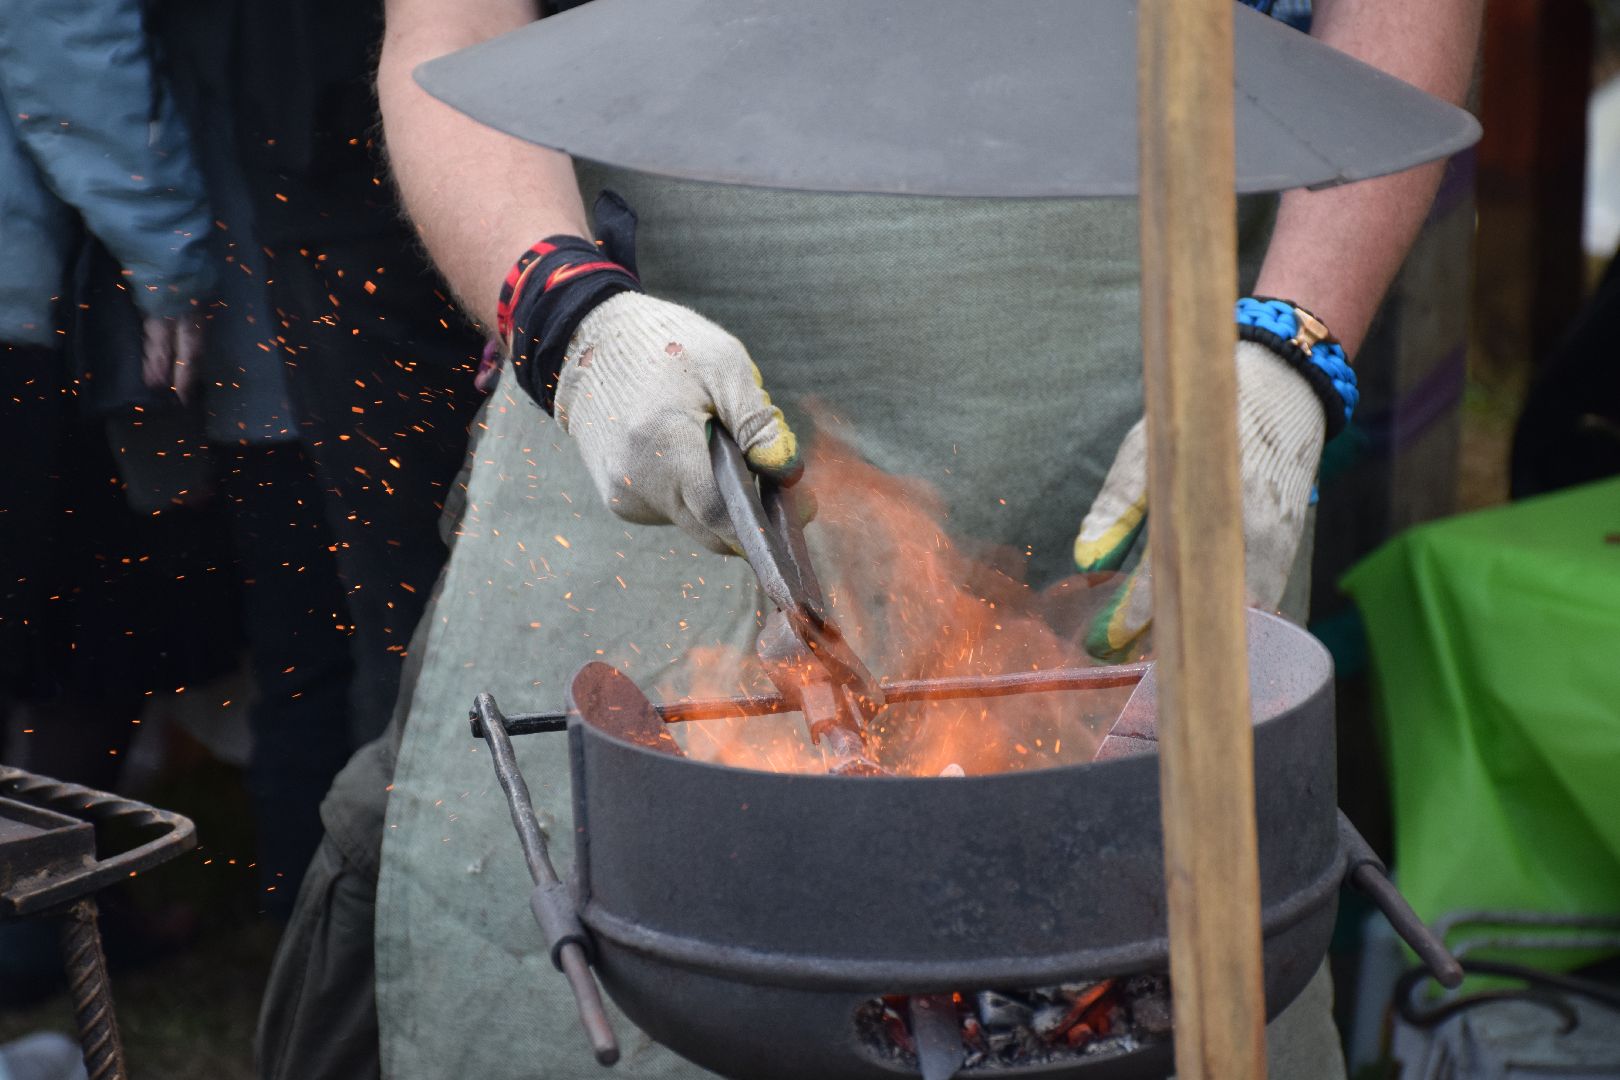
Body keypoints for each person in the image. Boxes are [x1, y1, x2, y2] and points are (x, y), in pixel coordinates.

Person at [258, 2, 1484, 1078]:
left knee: (1116, 974)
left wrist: (1292, 348)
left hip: (1139, 428)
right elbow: (459, 23)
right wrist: (563, 315)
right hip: (651, 398)